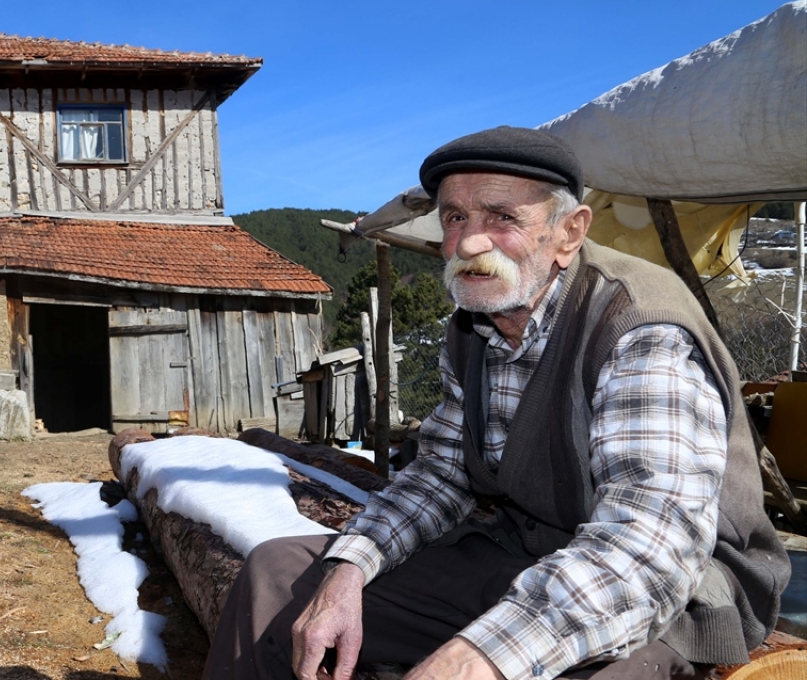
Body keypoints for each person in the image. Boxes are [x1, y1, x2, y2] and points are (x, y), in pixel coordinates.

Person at [203, 127, 790, 680]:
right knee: (279, 575)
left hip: (679, 588)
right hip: (524, 551)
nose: (470, 241)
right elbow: (439, 475)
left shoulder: (640, 329)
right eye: (455, 217)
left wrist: (482, 654)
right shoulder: (474, 327)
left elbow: (649, 545)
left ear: (569, 233)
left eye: (502, 217)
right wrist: (350, 566)